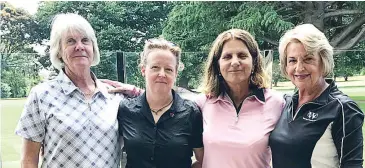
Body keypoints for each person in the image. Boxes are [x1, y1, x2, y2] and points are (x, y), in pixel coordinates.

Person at [14, 13, 136, 168]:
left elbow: (160, 106)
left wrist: (135, 91)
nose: (80, 46)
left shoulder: (115, 96)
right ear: (59, 51)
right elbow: (28, 160)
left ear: (93, 48)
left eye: (85, 40)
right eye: (70, 41)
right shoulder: (41, 95)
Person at [269, 24, 364, 168]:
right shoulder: (284, 103)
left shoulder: (343, 109)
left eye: (308, 59)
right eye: (292, 60)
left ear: (323, 61)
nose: (299, 68)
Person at [194, 29, 285, 168]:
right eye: (227, 56)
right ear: (217, 64)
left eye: (242, 55)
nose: (235, 62)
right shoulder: (201, 104)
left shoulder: (277, 103)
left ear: (254, 62)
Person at [117, 38, 204, 168]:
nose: (162, 74)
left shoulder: (191, 112)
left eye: (168, 69)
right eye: (155, 67)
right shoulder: (125, 110)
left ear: (175, 74)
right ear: (143, 70)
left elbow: (203, 159)